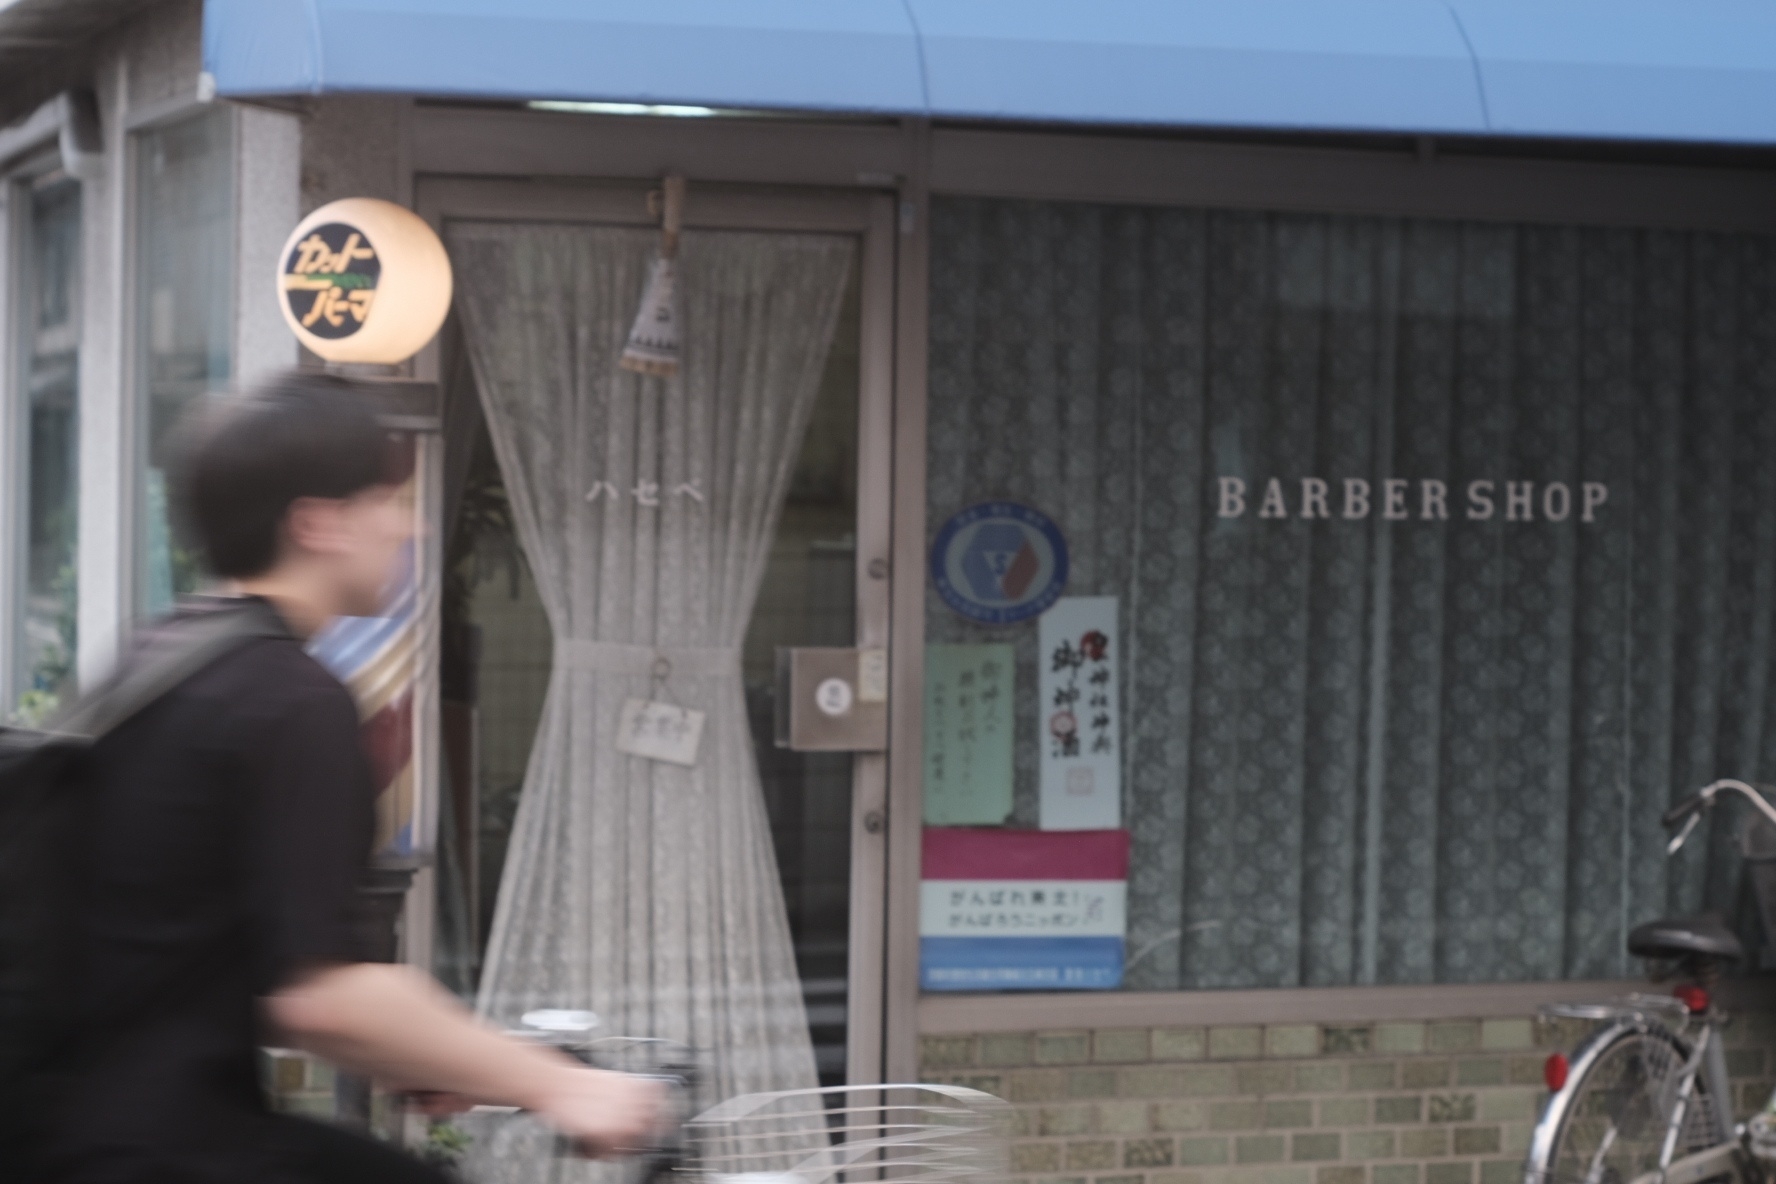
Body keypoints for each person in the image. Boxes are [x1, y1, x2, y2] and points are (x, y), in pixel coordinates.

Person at [35, 370, 660, 1182]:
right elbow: (321, 997)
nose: (413, 526)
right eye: (387, 500)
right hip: (167, 1148)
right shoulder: (290, 700)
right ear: (318, 524)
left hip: (69, 1131)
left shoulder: (157, 663)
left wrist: (438, 1055)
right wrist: (567, 1088)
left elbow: (213, 951)